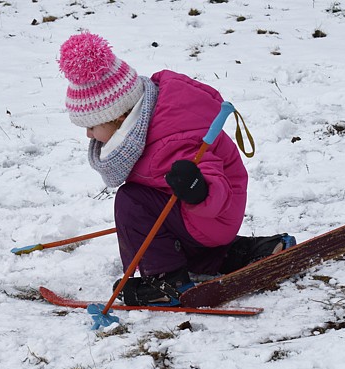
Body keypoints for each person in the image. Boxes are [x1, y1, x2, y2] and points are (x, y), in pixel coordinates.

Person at [58, 32, 295, 306]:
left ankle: (165, 281)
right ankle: (254, 251)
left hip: (211, 209)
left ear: (120, 117)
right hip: (206, 223)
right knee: (173, 236)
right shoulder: (141, 125)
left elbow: (214, 181)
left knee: (131, 200)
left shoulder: (170, 137)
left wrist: (198, 190)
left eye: (91, 126)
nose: (89, 135)